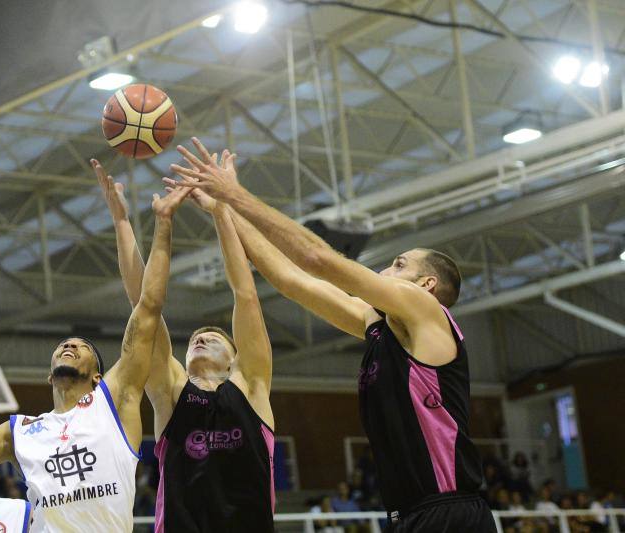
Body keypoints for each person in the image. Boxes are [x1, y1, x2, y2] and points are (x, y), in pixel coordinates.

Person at [166, 138, 495, 532]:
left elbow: (316, 258)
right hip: (410, 515)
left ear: (425, 283)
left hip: (450, 511)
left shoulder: (427, 311)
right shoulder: (379, 326)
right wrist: (224, 209)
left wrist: (236, 194)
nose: (386, 271)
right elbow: (289, 279)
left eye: (398, 264)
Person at [0, 184, 187, 533]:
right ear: (49, 376)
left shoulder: (114, 401)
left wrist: (162, 224)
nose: (69, 346)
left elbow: (149, 305)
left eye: (82, 346)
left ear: (98, 377)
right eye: (63, 344)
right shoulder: (21, 432)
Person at [95, 156, 275, 533]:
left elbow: (245, 295)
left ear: (234, 360)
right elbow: (143, 307)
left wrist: (221, 210)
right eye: (195, 339)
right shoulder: (171, 392)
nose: (200, 338)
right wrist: (124, 221)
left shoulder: (251, 385)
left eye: (214, 338)